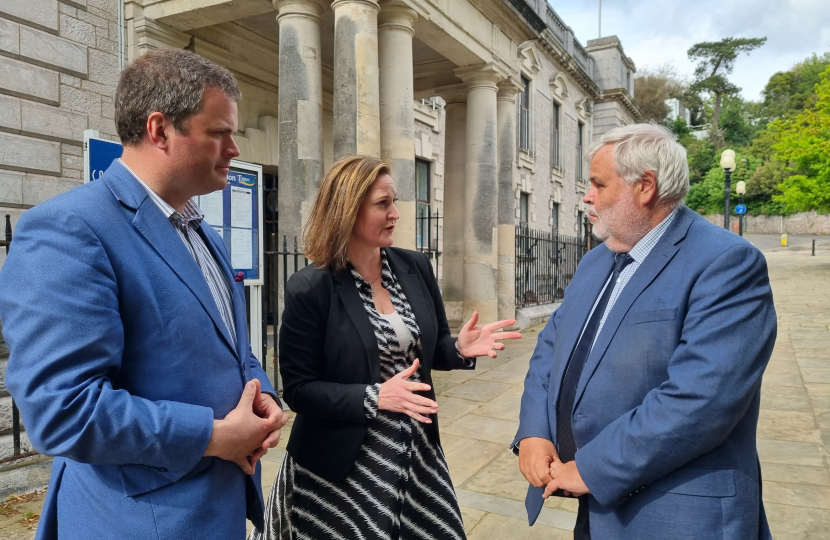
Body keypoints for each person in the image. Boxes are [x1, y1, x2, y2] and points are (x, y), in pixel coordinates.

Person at [0, 50, 288, 539]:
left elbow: (230, 350)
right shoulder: (69, 229)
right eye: (220, 132)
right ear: (160, 130)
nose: (235, 149)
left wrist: (263, 397)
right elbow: (61, 410)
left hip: (213, 509)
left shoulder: (201, 231)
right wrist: (214, 437)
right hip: (139, 521)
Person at [513, 123, 777, 539]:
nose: (587, 195)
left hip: (675, 514)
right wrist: (533, 431)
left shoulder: (727, 264)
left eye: (598, 184)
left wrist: (591, 467)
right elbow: (550, 349)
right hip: (595, 509)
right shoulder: (595, 260)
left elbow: (701, 401)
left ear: (645, 186)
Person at [253, 155, 522, 540]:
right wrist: (375, 397)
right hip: (342, 465)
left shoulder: (414, 267)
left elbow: (431, 350)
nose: (395, 213)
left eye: (393, 201)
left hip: (415, 450)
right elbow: (299, 391)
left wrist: (459, 349)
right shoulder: (310, 288)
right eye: (383, 204)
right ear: (348, 209)